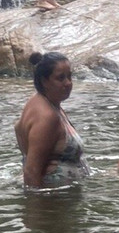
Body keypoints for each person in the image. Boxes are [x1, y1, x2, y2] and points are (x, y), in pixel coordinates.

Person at [13, 51, 89, 187]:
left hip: (60, 197)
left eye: (69, 76)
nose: (68, 83)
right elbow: (31, 172)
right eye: (61, 78)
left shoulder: (43, 102)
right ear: (44, 81)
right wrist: (38, 207)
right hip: (54, 200)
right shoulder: (47, 117)